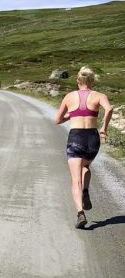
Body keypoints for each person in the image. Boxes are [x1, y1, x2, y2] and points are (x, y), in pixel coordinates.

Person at [55, 66, 113, 228]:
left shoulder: (69, 97)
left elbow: (58, 120)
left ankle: (80, 213)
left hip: (76, 137)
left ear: (78, 80)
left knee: (76, 179)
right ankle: (86, 191)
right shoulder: (99, 96)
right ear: (92, 80)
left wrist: (71, 115)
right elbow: (109, 109)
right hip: (93, 138)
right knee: (85, 166)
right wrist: (104, 128)